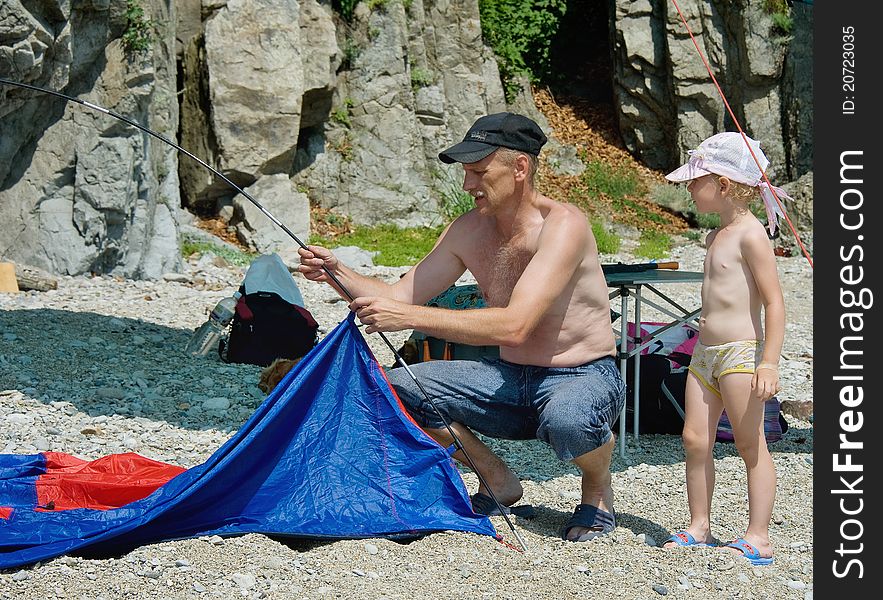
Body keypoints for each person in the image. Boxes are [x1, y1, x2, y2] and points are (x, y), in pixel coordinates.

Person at [298, 112, 625, 542]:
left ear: (520, 168)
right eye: (466, 173)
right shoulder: (468, 230)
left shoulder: (564, 226)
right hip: (509, 378)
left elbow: (515, 325)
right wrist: (337, 272)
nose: (468, 184)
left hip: (582, 373)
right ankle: (497, 480)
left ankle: (598, 490)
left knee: (569, 419)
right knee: (395, 388)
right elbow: (400, 297)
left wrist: (410, 319)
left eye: (478, 172)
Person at [661, 132, 788, 566]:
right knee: (695, 438)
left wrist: (768, 361)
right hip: (704, 354)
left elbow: (774, 302)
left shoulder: (751, 236)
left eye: (697, 182)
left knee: (750, 444)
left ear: (725, 185)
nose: (689, 190)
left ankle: (759, 536)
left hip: (739, 353)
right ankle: (700, 525)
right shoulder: (715, 236)